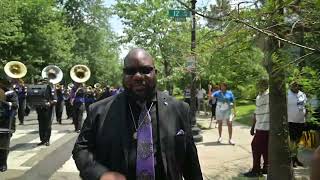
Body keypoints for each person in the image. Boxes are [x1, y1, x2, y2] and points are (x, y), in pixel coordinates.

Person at [72, 48, 203, 180]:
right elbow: (81, 148)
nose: (138, 77)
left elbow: (190, 161)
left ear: (155, 73)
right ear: (123, 74)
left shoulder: (179, 109)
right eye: (130, 71)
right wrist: (100, 174)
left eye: (145, 70)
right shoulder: (98, 110)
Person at [244, 79, 269, 177]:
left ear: (266, 85)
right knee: (263, 148)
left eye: (262, 84)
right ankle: (265, 168)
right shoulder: (258, 96)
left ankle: (256, 170)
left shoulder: (270, 95)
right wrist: (253, 126)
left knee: (255, 146)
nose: (260, 86)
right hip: (260, 127)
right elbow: (256, 112)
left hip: (267, 127)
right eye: (258, 85)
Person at [287, 81, 307, 167]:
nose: (295, 87)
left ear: (298, 86)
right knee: (292, 141)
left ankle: (295, 159)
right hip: (291, 121)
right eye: (293, 85)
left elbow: (305, 106)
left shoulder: (302, 94)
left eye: (296, 85)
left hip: (301, 121)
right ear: (290, 86)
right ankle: (292, 159)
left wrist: (306, 116)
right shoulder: (287, 94)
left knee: (298, 141)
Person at [0, 78, 18, 172]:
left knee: (3, 145)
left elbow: (15, 105)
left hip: (6, 122)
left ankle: (3, 163)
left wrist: (4, 103)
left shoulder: (10, 93)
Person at [35, 78, 57, 146]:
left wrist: (49, 103)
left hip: (47, 109)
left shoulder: (50, 88)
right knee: (41, 125)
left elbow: (55, 100)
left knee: (47, 125)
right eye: (42, 82)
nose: (42, 83)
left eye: (44, 82)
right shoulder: (38, 88)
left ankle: (47, 140)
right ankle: (42, 140)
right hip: (39, 109)